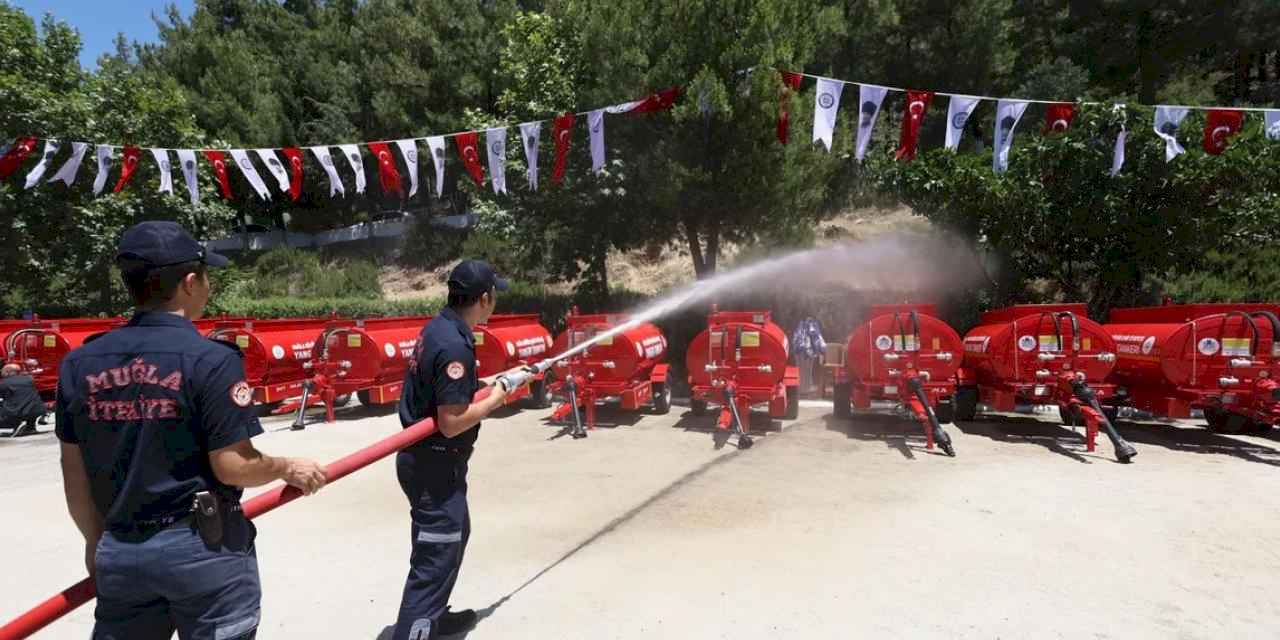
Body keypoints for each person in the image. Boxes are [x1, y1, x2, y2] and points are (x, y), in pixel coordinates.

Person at [55, 221, 328, 640]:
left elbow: (74, 474)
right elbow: (233, 465)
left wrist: (97, 543)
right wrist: (285, 466)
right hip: (201, 549)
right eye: (206, 276)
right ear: (188, 282)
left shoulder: (80, 363)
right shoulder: (211, 359)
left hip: (121, 549)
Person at [392, 259, 525, 640]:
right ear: (484, 298)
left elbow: (452, 395)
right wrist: (498, 398)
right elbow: (451, 422)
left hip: (433, 464)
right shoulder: (454, 345)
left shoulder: (442, 329)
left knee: (454, 536)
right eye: (495, 294)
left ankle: (433, 618)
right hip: (434, 466)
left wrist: (499, 382)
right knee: (436, 554)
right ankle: (416, 629)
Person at [0, 363, 45, 437]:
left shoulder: (4, 383)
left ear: (8, 372)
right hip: (37, 410)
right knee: (28, 403)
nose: (1, 372)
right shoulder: (29, 379)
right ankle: (30, 428)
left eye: (2, 370)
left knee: (11, 407)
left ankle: (16, 425)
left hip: (17, 413)